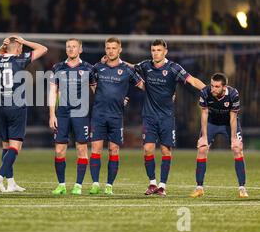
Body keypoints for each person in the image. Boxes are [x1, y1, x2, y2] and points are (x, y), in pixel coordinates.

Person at [135, 39, 206, 196]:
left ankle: (162, 185)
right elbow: (130, 68)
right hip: (149, 116)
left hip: (166, 117)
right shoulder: (145, 66)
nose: (155, 53)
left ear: (165, 51)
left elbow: (191, 80)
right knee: (148, 149)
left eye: (159, 50)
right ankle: (152, 183)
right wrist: (117, 61)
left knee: (166, 150)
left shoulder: (174, 68)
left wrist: (207, 90)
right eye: (153, 50)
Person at [88, 37, 144, 195]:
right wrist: (102, 97)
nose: (111, 51)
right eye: (108, 48)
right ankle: (95, 183)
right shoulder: (97, 67)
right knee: (96, 149)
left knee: (113, 150)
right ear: (105, 50)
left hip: (116, 116)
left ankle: (109, 186)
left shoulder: (127, 69)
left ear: (120, 50)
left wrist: (163, 94)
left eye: (114, 48)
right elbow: (92, 84)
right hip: (98, 114)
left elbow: (142, 85)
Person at [0, 35, 48, 192]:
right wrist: (23, 41)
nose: (22, 49)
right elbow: (43, 49)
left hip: (2, 107)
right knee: (15, 147)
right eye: (21, 47)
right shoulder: (19, 59)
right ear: (17, 48)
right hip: (17, 107)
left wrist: (6, 46)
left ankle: (10, 183)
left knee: (6, 146)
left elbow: (1, 53)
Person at [190, 73, 248, 198]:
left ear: (224, 87)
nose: (213, 89)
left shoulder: (233, 94)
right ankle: (199, 187)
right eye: (212, 85)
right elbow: (204, 114)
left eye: (216, 87)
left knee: (237, 149)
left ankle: (242, 188)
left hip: (228, 123)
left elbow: (233, 117)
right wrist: (204, 136)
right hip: (212, 123)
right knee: (202, 149)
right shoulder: (205, 92)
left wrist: (233, 139)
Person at [50, 38, 95, 195]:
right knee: (59, 150)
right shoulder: (58, 67)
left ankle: (78, 185)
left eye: (74, 47)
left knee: (81, 149)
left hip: (81, 114)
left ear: (80, 49)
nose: (70, 49)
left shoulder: (88, 68)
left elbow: (97, 91)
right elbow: (52, 92)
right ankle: (61, 184)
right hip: (61, 113)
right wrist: (52, 115)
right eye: (68, 46)